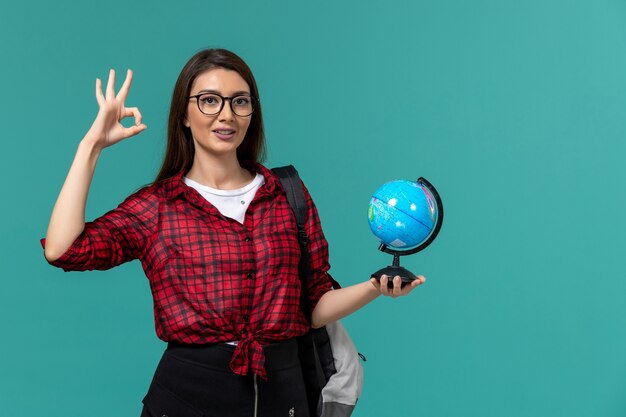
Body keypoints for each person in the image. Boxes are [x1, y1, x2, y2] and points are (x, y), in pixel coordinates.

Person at [40, 48, 426, 417]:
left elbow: (314, 307)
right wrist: (90, 146)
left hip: (284, 394)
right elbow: (64, 249)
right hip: (188, 397)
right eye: (210, 100)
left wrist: (375, 287)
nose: (226, 114)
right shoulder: (158, 206)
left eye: (239, 101)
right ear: (185, 114)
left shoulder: (287, 193)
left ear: (251, 113)